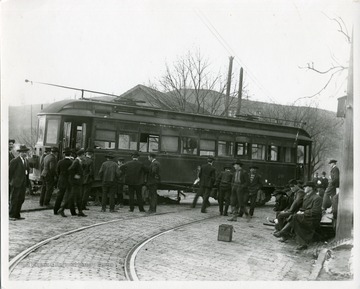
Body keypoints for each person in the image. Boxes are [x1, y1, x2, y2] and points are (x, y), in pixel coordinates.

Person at [291, 181, 322, 250]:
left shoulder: (317, 198)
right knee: (294, 217)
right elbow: (304, 208)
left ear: (311, 188)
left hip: (313, 218)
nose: (304, 188)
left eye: (306, 186)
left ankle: (302, 243)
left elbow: (316, 211)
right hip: (307, 217)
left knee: (295, 218)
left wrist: (303, 213)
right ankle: (302, 242)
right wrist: (300, 211)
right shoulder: (306, 196)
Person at [9, 145, 31, 220]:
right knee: (14, 199)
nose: (25, 153)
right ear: (19, 153)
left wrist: (27, 184)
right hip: (16, 184)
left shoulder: (26, 161)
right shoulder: (14, 161)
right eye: (23, 152)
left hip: (23, 184)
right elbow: (10, 173)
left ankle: (17, 215)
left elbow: (27, 174)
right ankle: (11, 215)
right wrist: (11, 182)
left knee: (21, 199)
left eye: (25, 152)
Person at [54, 147, 73, 216]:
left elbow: (57, 171)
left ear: (64, 154)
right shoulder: (71, 162)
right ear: (70, 154)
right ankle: (67, 209)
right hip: (68, 181)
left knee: (60, 195)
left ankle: (55, 210)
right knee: (68, 196)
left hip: (61, 180)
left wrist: (60, 176)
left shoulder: (60, 162)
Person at [67, 149, 87, 217]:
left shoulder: (79, 161)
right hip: (75, 183)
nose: (85, 156)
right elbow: (70, 170)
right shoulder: (76, 161)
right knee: (73, 197)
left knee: (78, 197)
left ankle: (79, 211)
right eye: (84, 155)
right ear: (81, 155)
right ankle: (62, 208)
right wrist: (75, 176)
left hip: (77, 183)